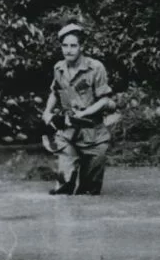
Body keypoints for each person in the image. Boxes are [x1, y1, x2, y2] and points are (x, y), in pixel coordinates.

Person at [42, 23, 115, 195]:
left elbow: (105, 99)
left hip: (93, 135)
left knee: (88, 193)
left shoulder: (95, 67)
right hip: (68, 133)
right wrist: (47, 112)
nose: (68, 50)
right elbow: (55, 91)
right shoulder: (58, 68)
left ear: (81, 47)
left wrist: (84, 113)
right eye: (65, 46)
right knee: (63, 190)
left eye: (73, 45)